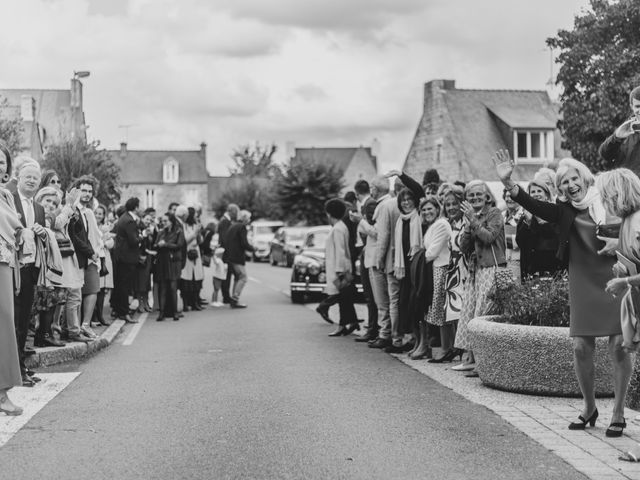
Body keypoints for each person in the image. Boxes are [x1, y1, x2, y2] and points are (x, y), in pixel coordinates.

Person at [495, 150, 628, 435]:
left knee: (618, 345)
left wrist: (620, 246)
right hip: (582, 280)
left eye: (573, 178)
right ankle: (589, 407)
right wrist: (509, 183)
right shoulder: (564, 209)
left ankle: (618, 411)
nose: (570, 184)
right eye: (563, 182)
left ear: (584, 176)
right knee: (581, 346)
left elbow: (633, 228)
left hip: (615, 278)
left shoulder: (609, 200)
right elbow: (534, 204)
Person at [452, 179, 505, 377]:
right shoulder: (471, 216)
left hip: (491, 268)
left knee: (482, 312)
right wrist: (468, 226)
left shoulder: (494, 213)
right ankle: (470, 357)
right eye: (471, 195)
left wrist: (473, 221)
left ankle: (482, 361)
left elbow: (489, 237)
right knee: (469, 310)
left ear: (487, 196)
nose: (475, 198)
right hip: (475, 270)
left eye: (478, 194)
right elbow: (464, 247)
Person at [12, 160, 47, 386]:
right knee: (11, 321)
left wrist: (43, 232)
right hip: (10, 268)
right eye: (28, 176)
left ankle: (21, 365)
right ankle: (13, 370)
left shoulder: (39, 208)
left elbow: (42, 241)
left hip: (30, 270)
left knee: (24, 320)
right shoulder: (7, 200)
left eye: (36, 177)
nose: (32, 180)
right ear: (18, 177)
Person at [0, 143, 26, 414]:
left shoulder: (6, 196)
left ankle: (2, 393)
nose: (0, 166)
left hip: (4, 262)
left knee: (5, 321)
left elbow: (16, 231)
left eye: (2, 162)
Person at [411, 196, 452, 360]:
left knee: (440, 310)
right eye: (424, 209)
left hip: (441, 269)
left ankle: (446, 347)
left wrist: (416, 258)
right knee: (436, 311)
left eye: (430, 208)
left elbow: (431, 253)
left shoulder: (441, 224)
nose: (427, 212)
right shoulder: (431, 226)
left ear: (437, 209)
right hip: (432, 270)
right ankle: (438, 346)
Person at [430, 185, 467, 363]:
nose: (451, 207)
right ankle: (453, 348)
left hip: (465, 269)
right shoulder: (449, 223)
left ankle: (464, 351)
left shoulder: (466, 222)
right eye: (448, 204)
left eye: (454, 203)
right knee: (450, 311)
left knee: (462, 311)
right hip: (451, 270)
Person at [367, 177, 401, 350]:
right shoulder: (394, 203)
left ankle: (386, 334)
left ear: (377, 188)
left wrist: (379, 259)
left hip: (386, 259)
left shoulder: (384, 206)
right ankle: (391, 334)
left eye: (371, 187)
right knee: (392, 300)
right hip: (396, 258)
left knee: (384, 300)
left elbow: (382, 235)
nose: (370, 190)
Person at [32, 186, 66, 348]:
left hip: (48, 265)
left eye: (54, 203)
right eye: (48, 200)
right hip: (37, 264)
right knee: (43, 300)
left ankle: (44, 334)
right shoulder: (35, 214)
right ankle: (42, 335)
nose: (51, 205)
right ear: (39, 199)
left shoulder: (48, 216)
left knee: (51, 300)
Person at [323, 199, 360, 336]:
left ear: (329, 214)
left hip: (339, 269)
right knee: (344, 299)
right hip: (341, 267)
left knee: (342, 298)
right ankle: (350, 322)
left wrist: (339, 271)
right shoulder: (341, 227)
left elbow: (340, 250)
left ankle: (342, 325)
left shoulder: (338, 228)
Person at [516, 177, 563, 279]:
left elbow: (554, 238)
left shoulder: (554, 213)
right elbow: (520, 242)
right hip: (530, 268)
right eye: (533, 192)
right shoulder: (525, 216)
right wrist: (527, 222)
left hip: (551, 268)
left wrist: (541, 220)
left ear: (546, 195)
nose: (536, 194)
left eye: (539, 191)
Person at [352, 179, 379, 342]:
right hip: (366, 251)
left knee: (370, 295)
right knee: (368, 295)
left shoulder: (369, 204)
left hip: (370, 253)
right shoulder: (367, 204)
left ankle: (373, 328)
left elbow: (373, 231)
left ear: (356, 193)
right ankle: (372, 327)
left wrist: (358, 220)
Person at [112, 197, 142, 323]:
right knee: (125, 286)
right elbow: (133, 240)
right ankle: (124, 313)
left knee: (120, 285)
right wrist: (142, 236)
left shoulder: (123, 217)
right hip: (127, 257)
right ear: (135, 207)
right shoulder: (129, 221)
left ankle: (119, 310)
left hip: (121, 256)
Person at [598, 86, 640, 173]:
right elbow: (605, 154)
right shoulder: (626, 129)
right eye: (638, 106)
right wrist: (616, 137)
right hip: (626, 184)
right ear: (632, 107)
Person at [154, 213, 185, 321]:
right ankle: (161, 313)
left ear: (171, 221)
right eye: (162, 221)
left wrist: (165, 244)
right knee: (163, 288)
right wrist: (159, 244)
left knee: (173, 287)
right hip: (162, 261)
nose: (163, 223)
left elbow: (179, 245)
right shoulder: (161, 232)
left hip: (173, 262)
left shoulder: (178, 231)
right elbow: (155, 245)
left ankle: (175, 312)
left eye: (166, 221)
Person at [224, 209, 254, 308]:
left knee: (237, 277)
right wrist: (253, 249)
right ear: (244, 218)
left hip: (230, 256)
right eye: (249, 218)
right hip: (237, 257)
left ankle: (234, 299)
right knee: (243, 277)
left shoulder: (232, 226)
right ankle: (235, 298)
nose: (249, 220)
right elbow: (244, 243)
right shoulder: (242, 227)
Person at [177, 206, 204, 311]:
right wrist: (195, 233)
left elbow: (200, 241)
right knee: (186, 281)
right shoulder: (183, 226)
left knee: (196, 280)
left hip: (195, 255)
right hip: (187, 254)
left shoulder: (195, 225)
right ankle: (185, 303)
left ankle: (195, 302)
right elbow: (185, 241)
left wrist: (199, 233)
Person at [93, 203, 114, 326]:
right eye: (96, 213)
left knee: (102, 290)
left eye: (100, 214)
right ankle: (93, 317)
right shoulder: (91, 225)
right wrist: (103, 239)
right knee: (95, 289)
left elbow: (111, 244)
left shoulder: (106, 227)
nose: (98, 216)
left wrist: (106, 239)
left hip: (105, 259)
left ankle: (100, 315)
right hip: (96, 259)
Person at [217, 204, 239, 304]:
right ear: (231, 211)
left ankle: (226, 295)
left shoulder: (225, 220)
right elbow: (226, 239)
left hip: (226, 252)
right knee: (227, 274)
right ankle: (226, 296)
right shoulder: (225, 221)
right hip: (227, 252)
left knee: (228, 274)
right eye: (236, 212)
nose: (236, 214)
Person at [502, 189, 524, 284]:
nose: (509, 199)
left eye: (512, 196)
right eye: (507, 196)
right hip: (504, 261)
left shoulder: (523, 214)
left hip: (518, 260)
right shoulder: (502, 215)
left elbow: (515, 242)